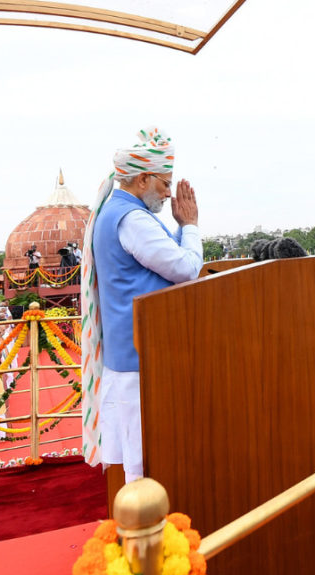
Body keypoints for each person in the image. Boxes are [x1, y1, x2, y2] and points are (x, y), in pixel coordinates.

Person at [81, 127, 203, 484]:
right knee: (144, 466)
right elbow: (185, 268)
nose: (168, 193)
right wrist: (191, 225)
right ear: (143, 179)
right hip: (141, 360)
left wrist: (182, 229)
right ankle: (146, 536)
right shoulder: (132, 219)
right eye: (165, 183)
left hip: (134, 357)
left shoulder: (118, 212)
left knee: (141, 461)